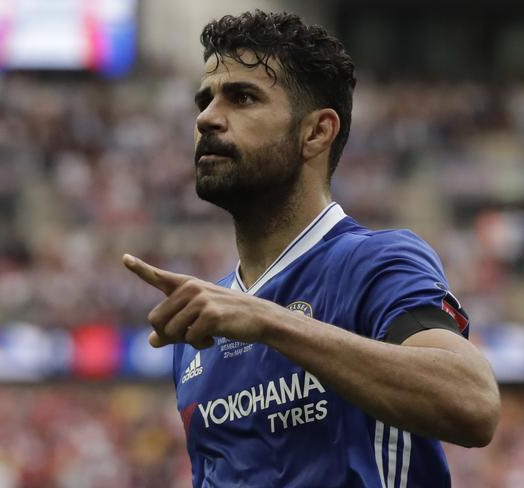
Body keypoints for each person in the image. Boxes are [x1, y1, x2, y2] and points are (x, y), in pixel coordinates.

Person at [123, 10, 500, 487]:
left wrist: (268, 319)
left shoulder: (375, 263)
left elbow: (473, 402)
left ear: (317, 132)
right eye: (205, 100)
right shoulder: (207, 319)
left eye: (241, 98)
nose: (206, 118)